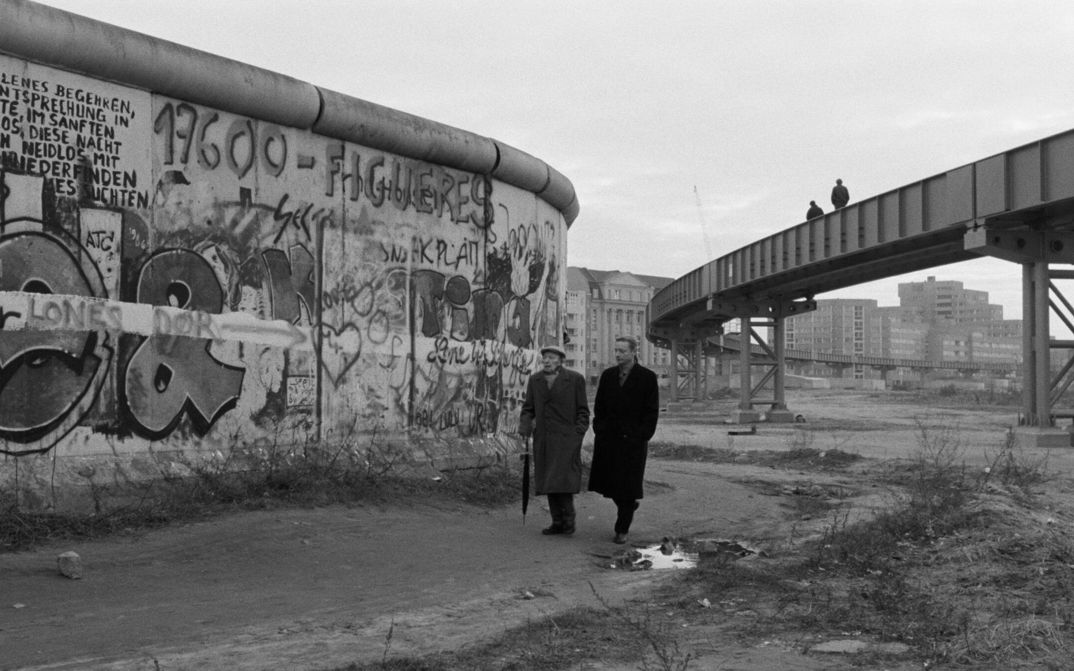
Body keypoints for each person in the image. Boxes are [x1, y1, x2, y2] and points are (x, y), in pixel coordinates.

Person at [588, 336, 660, 544]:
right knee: (608, 483)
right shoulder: (608, 375)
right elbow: (599, 406)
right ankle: (628, 505)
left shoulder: (647, 377)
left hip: (633, 442)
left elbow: (651, 411)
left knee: (628, 485)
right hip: (608, 439)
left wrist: (641, 435)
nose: (618, 355)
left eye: (622, 351)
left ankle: (622, 529)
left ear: (633, 352)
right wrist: (599, 429)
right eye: (616, 351)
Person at [519, 345, 590, 536]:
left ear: (560, 359)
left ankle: (568, 520)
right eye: (545, 358)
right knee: (549, 479)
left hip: (567, 439)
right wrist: (525, 427)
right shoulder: (536, 380)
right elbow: (528, 408)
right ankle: (557, 522)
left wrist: (578, 433)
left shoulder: (574, 379)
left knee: (563, 480)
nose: (547, 361)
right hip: (544, 438)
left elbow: (583, 411)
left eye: (551, 357)